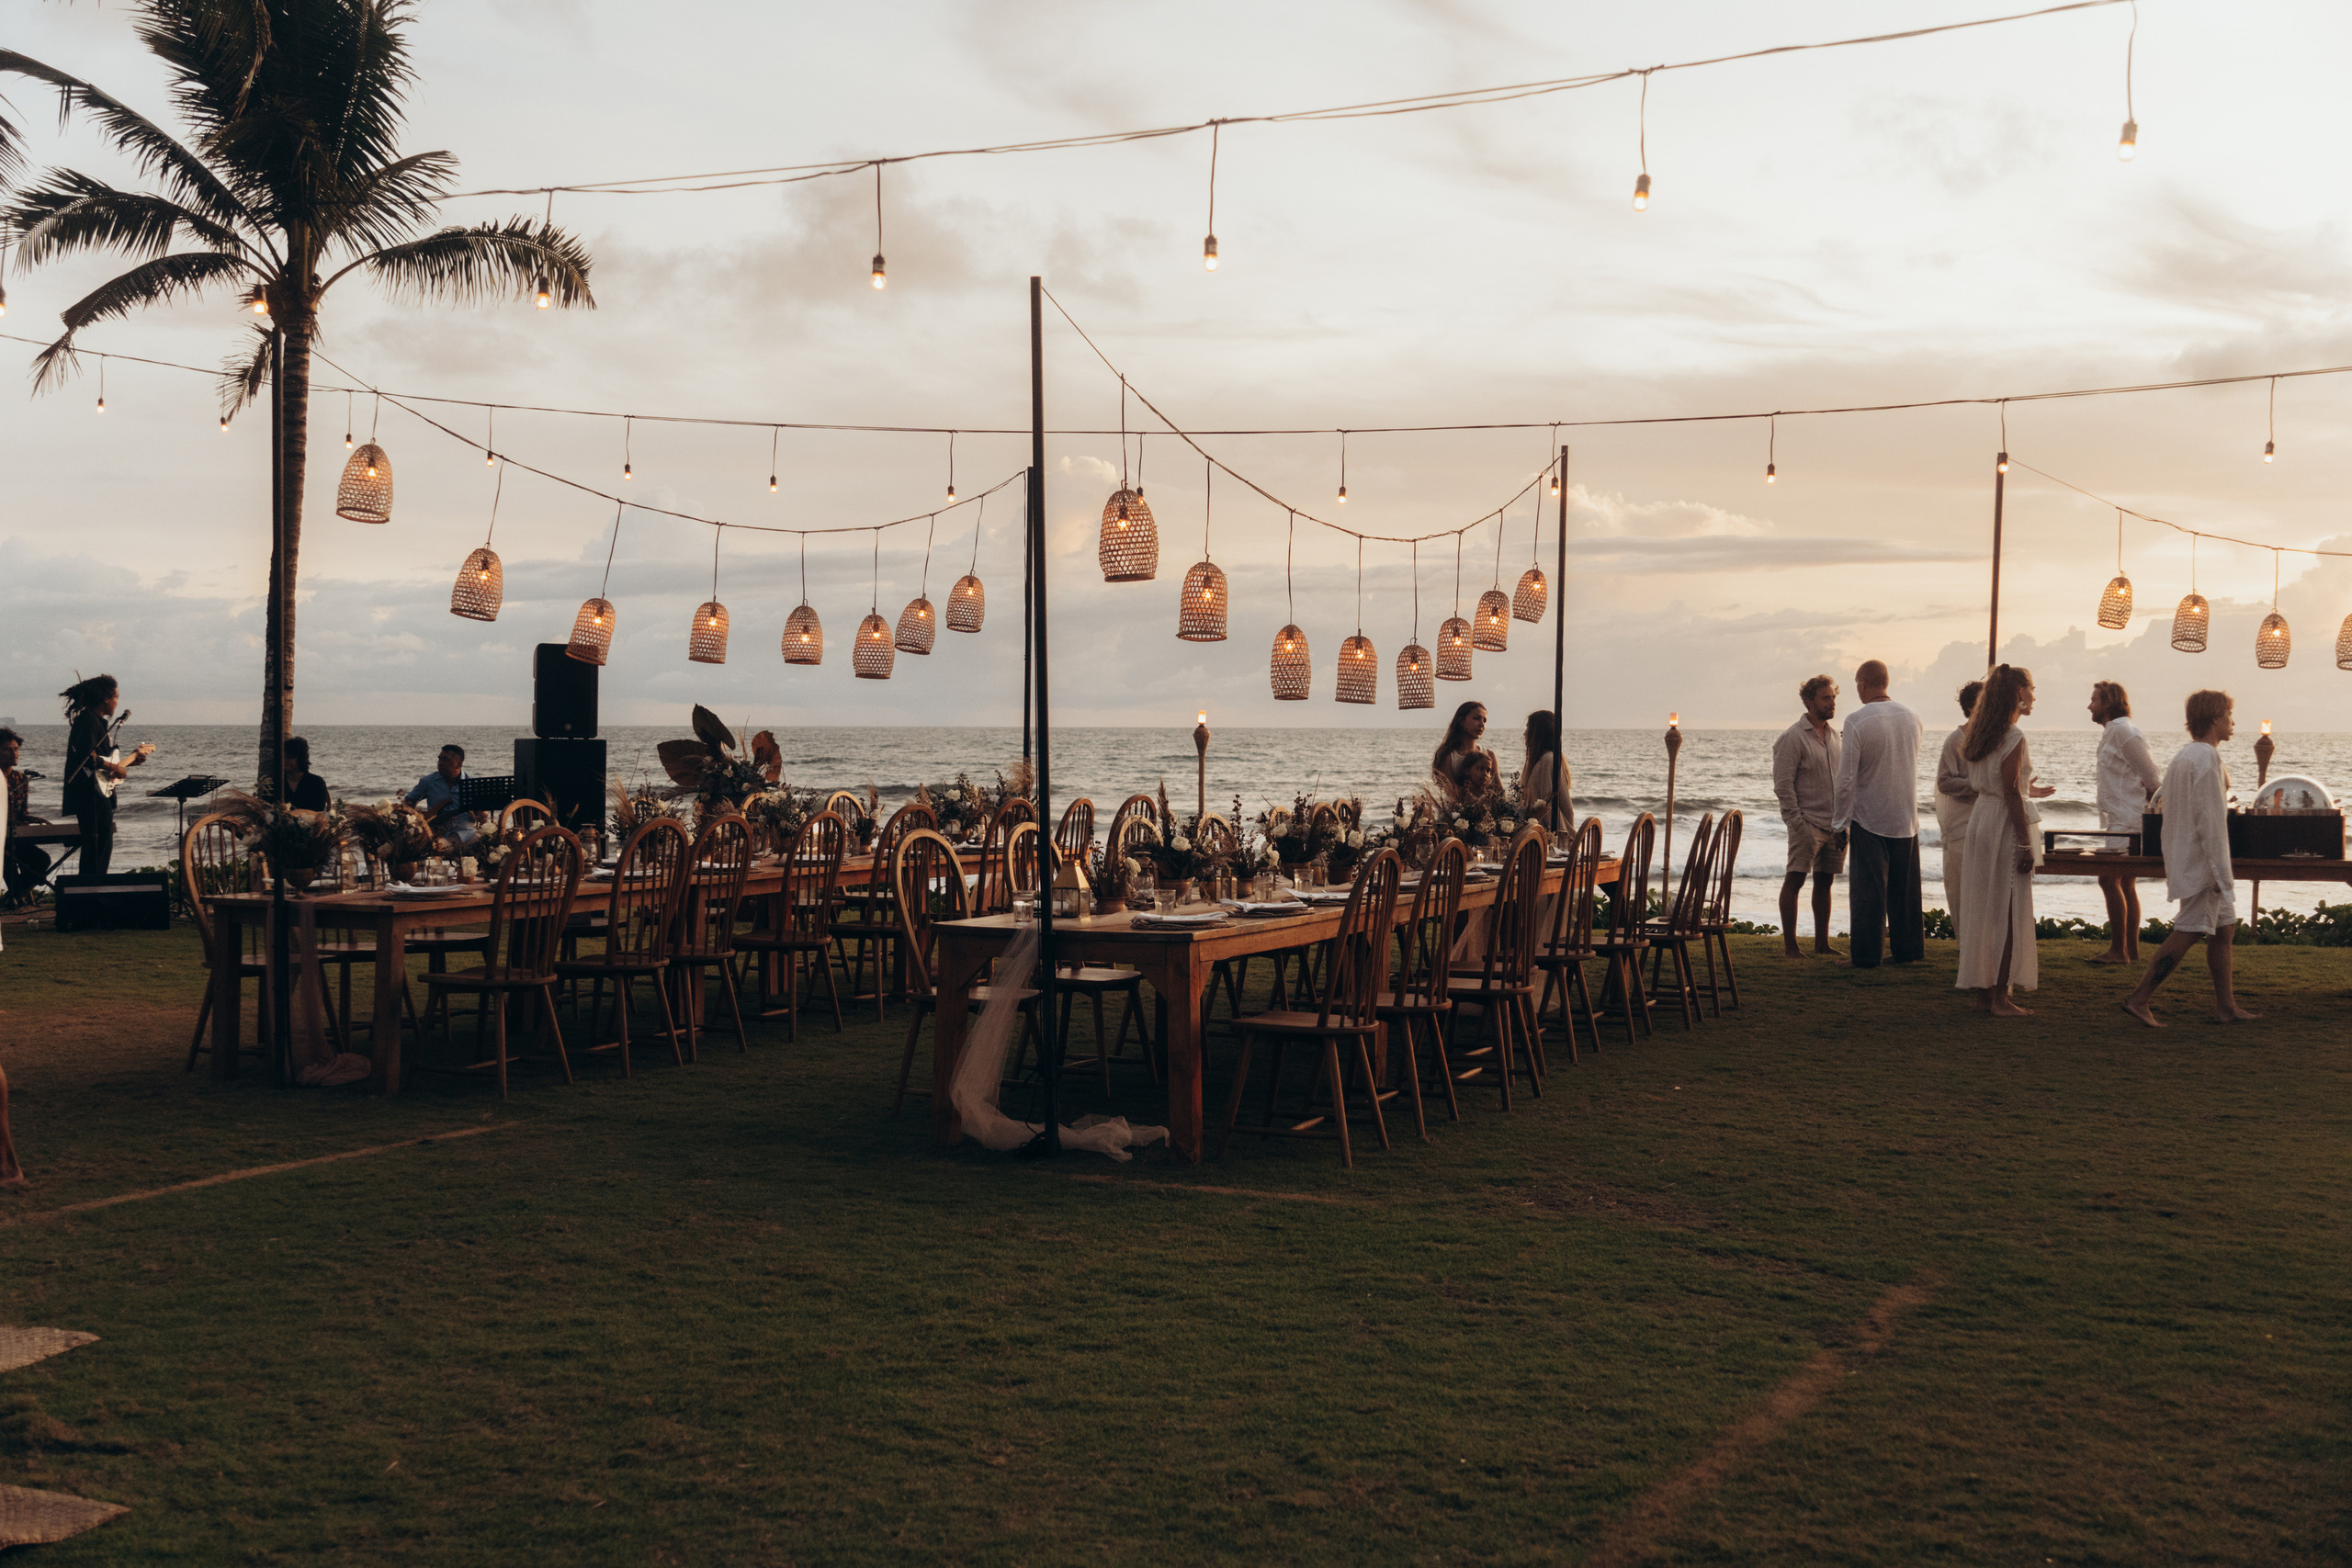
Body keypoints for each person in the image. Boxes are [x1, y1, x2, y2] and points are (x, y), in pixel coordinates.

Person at [2121, 690, 2260, 1027]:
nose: (2232, 722)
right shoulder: (2206, 759)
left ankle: (2226, 1006)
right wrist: (2219, 869)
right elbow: (2210, 820)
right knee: (2189, 930)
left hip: (2188, 854)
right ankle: (2139, 999)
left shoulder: (2186, 756)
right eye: (2228, 716)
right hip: (2204, 861)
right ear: (2214, 719)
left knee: (2224, 930)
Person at [1955, 664, 2055, 1017]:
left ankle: (1986, 994)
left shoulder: (1981, 732)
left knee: (1984, 909)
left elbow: (1995, 782)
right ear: (2018, 693)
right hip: (2002, 824)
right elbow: (2010, 791)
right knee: (2008, 909)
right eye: (2031, 688)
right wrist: (2025, 843)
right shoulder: (2013, 736)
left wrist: (2028, 790)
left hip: (1982, 818)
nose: (2033, 695)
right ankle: (1999, 998)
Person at [1833, 660, 1927, 968]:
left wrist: (1839, 823)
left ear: (1862, 683)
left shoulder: (1857, 721)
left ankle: (1865, 955)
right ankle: (1907, 951)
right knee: (1905, 892)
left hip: (1870, 816)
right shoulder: (1913, 718)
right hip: (1906, 815)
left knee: (1868, 891)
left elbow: (1846, 779)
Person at [2089, 681, 2162, 966]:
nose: (2089, 705)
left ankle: (2119, 950)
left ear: (2108, 702)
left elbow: (2153, 779)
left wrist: (2142, 813)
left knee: (2109, 878)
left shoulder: (2123, 732)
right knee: (2126, 882)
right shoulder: (2114, 732)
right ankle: (2129, 951)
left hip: (2129, 821)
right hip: (2120, 820)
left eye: (2094, 700)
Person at [1772, 674, 1844, 958]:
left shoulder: (1835, 736)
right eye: (1826, 698)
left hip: (1834, 824)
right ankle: (1791, 947)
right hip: (1807, 824)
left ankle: (1822, 944)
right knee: (1795, 880)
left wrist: (1843, 822)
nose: (1831, 703)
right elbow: (1783, 785)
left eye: (1833, 697)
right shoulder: (1792, 738)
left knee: (1825, 882)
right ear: (1809, 702)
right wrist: (1796, 823)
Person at [60, 673, 146, 877]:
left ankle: (93, 891)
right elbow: (86, 755)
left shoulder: (96, 722)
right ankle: (90, 894)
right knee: (96, 847)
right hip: (90, 796)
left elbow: (99, 765)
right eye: (116, 697)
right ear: (106, 698)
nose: (117, 702)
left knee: (100, 847)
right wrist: (115, 768)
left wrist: (130, 761)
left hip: (96, 794)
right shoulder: (89, 720)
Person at [1933, 681, 1984, 932]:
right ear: (1972, 706)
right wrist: (1977, 785)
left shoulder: (1994, 739)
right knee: (1961, 889)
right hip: (1961, 825)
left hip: (1987, 823)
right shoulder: (1955, 740)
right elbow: (1944, 781)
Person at [2, 728, 54, 908]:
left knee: (42, 860)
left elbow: (21, 813)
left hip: (15, 837)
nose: (14, 753)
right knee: (7, 860)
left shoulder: (21, 779)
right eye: (9, 749)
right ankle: (15, 899)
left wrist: (34, 819)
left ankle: (12, 897)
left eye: (16, 749)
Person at [404, 743, 479, 849]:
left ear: (459, 764)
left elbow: (482, 813)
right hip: (436, 833)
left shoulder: (472, 783)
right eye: (440, 759)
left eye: (446, 760)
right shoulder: (428, 781)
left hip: (465, 833)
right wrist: (416, 820)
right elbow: (409, 801)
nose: (440, 763)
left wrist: (482, 814)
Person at [1518, 708, 1574, 831]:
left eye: (1528, 728)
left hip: (1544, 835)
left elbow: (1547, 805)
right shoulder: (1541, 760)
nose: (1524, 733)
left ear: (1537, 732)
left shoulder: (1548, 760)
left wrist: (1559, 840)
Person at [1431, 701, 1492, 799]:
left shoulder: (1489, 755)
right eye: (1476, 718)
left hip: (1487, 812)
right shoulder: (1446, 755)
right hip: (1455, 813)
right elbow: (1453, 792)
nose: (1482, 724)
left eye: (1484, 720)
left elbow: (1500, 791)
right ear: (1461, 720)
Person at [282, 736, 331, 813]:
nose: (285, 760)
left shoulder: (316, 783)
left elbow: (319, 811)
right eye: (283, 756)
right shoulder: (274, 783)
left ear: (301, 758)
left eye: (290, 757)